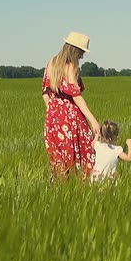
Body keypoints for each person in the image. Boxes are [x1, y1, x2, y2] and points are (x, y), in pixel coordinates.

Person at [42, 31, 99, 180]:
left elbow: (45, 93)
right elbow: (76, 96)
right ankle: (84, 187)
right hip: (70, 116)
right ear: (75, 50)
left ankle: (58, 190)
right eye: (81, 52)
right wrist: (93, 121)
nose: (82, 56)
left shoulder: (51, 63)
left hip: (52, 118)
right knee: (87, 152)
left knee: (59, 159)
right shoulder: (71, 66)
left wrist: (52, 110)